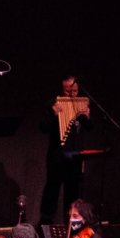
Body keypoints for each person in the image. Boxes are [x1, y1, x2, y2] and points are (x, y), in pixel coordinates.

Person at [38, 75, 93, 225]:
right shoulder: (53, 104)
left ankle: (71, 224)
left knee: (73, 193)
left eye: (74, 91)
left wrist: (87, 117)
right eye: (67, 91)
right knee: (52, 191)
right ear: (62, 90)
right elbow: (43, 127)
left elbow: (89, 127)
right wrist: (53, 114)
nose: (71, 94)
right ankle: (46, 225)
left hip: (75, 157)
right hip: (57, 156)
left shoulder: (82, 104)